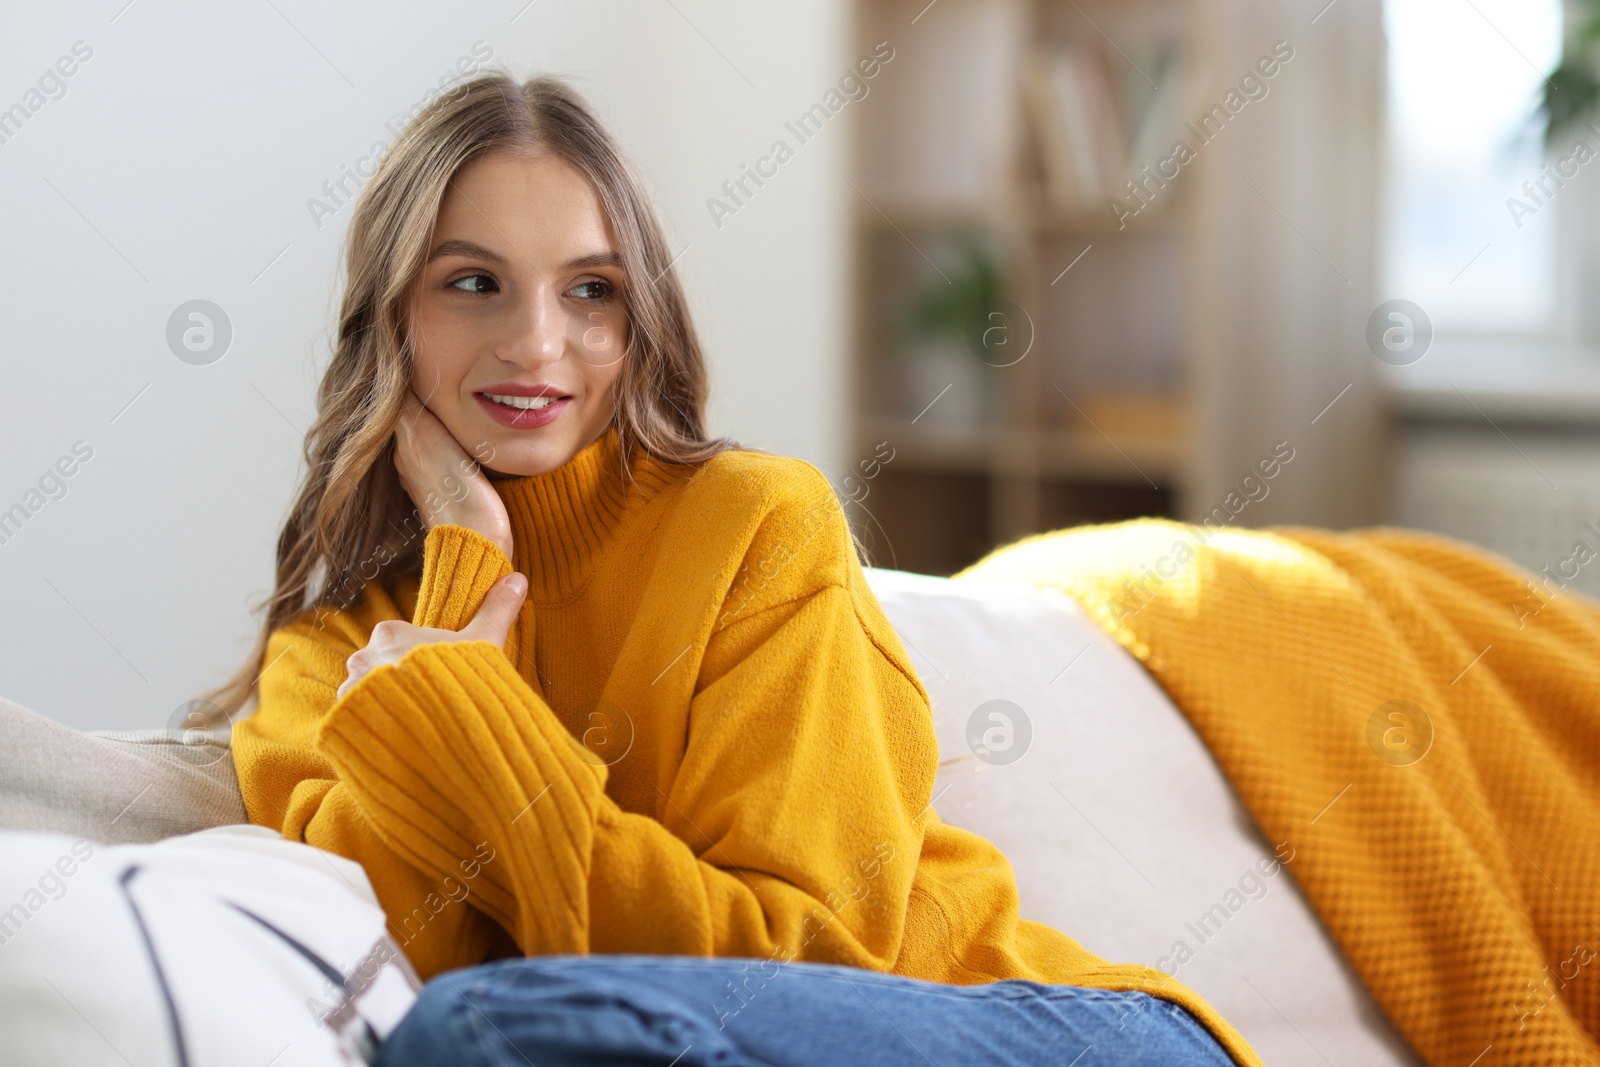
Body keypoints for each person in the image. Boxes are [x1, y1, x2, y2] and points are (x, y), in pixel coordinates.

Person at [224, 72, 1259, 1067]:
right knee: (463, 1029)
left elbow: (800, 955)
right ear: (394, 315)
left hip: (1036, 1027)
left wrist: (454, 705)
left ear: (638, 322)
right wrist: (460, 566)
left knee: (483, 1026)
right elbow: (413, 956)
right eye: (472, 283)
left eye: (591, 290)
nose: (537, 341)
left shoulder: (755, 525)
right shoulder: (327, 663)